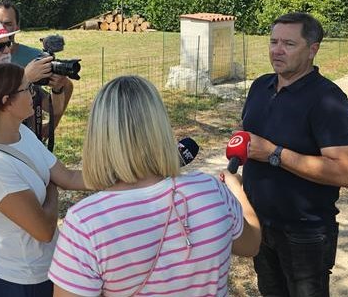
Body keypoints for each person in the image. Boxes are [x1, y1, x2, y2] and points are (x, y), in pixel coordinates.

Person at [48, 75, 261, 297]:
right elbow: (251, 244)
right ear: (160, 126)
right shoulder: (212, 189)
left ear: (98, 135)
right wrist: (236, 191)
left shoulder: (85, 222)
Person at [241, 12, 348, 297]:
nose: (277, 50)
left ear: (313, 49)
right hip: (260, 224)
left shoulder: (328, 101)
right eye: (273, 42)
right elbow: (247, 130)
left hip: (305, 232)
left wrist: (274, 153)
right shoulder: (261, 86)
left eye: (288, 44)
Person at [0, 63, 87, 297]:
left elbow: (70, 177)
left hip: (49, 271)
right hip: (21, 284)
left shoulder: (24, 134)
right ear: (6, 102)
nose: (33, 93)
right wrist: (51, 186)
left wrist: (123, 176)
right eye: (27, 88)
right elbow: (43, 229)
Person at [0, 13, 70, 144]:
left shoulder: (15, 74)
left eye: (7, 44)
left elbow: (54, 109)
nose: (6, 50)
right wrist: (25, 78)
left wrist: (57, 89)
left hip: (24, 145)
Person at [0, 0, 74, 130]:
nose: (1, 28)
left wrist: (53, 122)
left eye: (8, 23)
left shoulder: (35, 57)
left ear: (17, 27)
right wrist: (26, 78)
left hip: (28, 139)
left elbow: (64, 87)